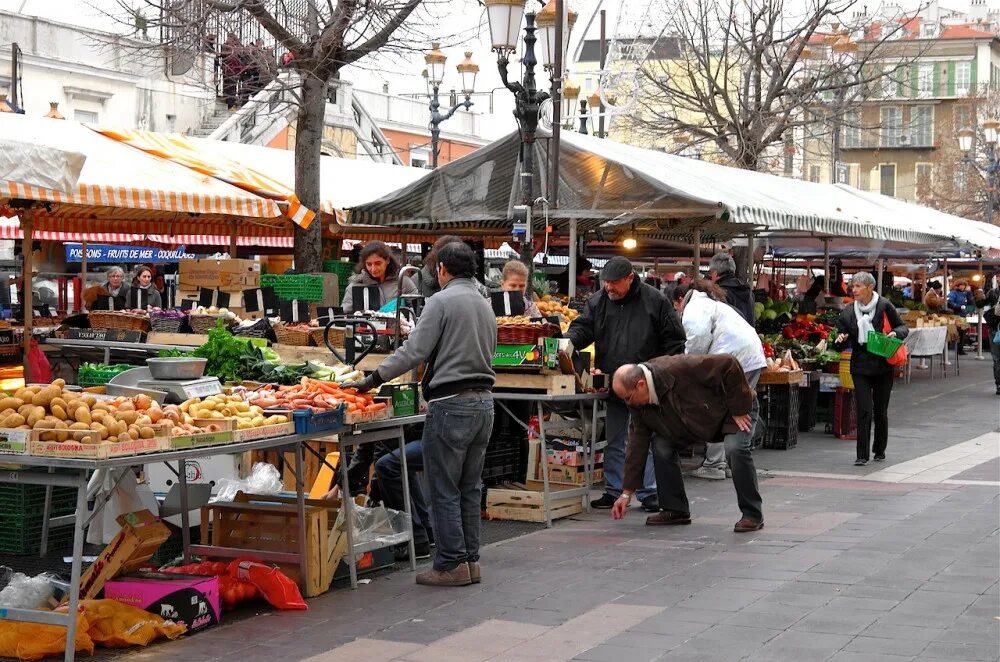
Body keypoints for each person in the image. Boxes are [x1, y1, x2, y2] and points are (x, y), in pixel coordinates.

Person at [345, 242, 496, 587]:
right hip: (484, 403)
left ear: (442, 268)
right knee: (469, 488)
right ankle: (470, 561)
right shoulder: (484, 304)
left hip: (452, 403)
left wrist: (373, 378)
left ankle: (449, 564)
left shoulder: (440, 301)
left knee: (444, 489)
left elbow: (415, 350)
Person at [564, 256, 686, 512]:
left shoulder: (655, 301)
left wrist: (661, 372)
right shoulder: (599, 301)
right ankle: (613, 489)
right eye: (606, 283)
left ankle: (648, 490)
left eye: (614, 283)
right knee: (616, 437)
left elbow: (674, 340)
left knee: (645, 438)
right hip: (615, 381)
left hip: (645, 383)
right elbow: (584, 328)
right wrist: (568, 341)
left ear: (630, 278)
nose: (609, 288)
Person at [609, 355, 763, 532]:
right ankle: (675, 510)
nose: (628, 403)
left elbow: (729, 363)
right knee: (661, 445)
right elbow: (637, 442)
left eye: (628, 398)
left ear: (641, 384)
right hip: (690, 422)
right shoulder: (637, 403)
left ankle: (752, 514)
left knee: (735, 449)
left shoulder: (677, 368)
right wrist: (626, 492)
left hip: (734, 411)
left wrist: (738, 408)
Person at [672, 280, 767, 481]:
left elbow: (697, 339)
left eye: (676, 306)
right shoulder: (711, 303)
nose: (677, 311)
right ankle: (734, 460)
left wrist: (687, 366)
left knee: (717, 409)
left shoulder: (695, 307)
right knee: (740, 406)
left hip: (732, 360)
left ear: (681, 300)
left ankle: (715, 464)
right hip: (749, 357)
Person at [835, 272, 908, 466]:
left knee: (880, 410)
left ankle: (879, 449)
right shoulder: (849, 311)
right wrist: (840, 338)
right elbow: (839, 335)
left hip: (883, 365)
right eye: (853, 286)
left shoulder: (884, 306)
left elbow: (903, 327)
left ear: (870, 287)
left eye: (858, 286)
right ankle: (861, 455)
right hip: (859, 366)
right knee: (864, 409)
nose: (854, 290)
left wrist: (894, 333)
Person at [341, 241, 417, 313]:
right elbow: (345, 314)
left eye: (378, 263)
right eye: (369, 264)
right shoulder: (354, 286)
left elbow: (417, 311)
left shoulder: (404, 283)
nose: (373, 269)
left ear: (387, 260)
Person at [707, 252, 754, 324]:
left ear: (715, 273)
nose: (711, 277)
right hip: (749, 333)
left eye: (711, 273)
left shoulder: (719, 292)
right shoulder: (748, 291)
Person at [947, 279, 974, 355]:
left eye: (964, 285)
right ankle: (953, 347)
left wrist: (969, 293)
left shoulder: (965, 294)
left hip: (963, 316)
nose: (962, 287)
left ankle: (960, 349)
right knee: (956, 333)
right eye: (961, 285)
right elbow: (949, 302)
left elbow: (971, 303)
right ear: (957, 286)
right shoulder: (953, 293)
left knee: (963, 333)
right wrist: (958, 307)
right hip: (956, 316)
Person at [984, 277, 1000, 395]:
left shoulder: (992, 292)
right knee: (997, 359)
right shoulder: (992, 293)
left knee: (997, 359)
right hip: (996, 330)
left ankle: (999, 385)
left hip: (995, 329)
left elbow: (981, 304)